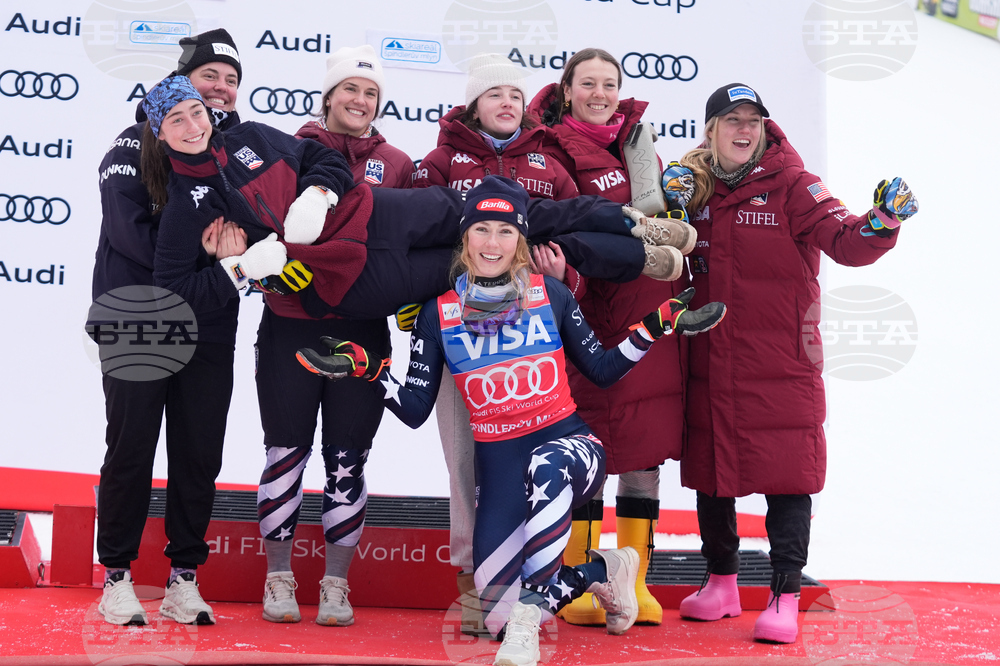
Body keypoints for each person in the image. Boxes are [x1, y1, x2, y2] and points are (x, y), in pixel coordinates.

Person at [295, 176, 727, 666]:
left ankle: (528, 624)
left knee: (544, 475)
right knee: (493, 612)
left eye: (505, 232)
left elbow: (603, 370)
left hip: (569, 449)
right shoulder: (437, 315)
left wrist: (657, 325)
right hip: (499, 468)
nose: (493, 243)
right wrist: (366, 367)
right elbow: (415, 410)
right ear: (465, 239)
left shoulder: (552, 296)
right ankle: (604, 570)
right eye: (482, 230)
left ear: (521, 240)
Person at [672, 83, 918, 644]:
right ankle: (722, 583)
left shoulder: (795, 185)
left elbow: (848, 241)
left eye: (752, 121)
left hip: (779, 363)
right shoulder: (696, 188)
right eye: (731, 120)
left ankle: (784, 594)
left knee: (786, 478)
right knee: (712, 476)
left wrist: (882, 221)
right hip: (709, 359)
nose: (743, 130)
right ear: (710, 129)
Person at [142, 76, 680, 325]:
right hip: (338, 281)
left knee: (503, 217)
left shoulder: (251, 137)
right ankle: (637, 260)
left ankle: (631, 225)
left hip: (372, 213)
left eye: (195, 112)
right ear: (159, 135)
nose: (192, 126)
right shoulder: (188, 205)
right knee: (491, 262)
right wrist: (241, 270)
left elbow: (319, 159)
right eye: (175, 120)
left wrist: (320, 192)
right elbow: (175, 293)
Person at [412, 53, 582, 635]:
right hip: (463, 340)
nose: (507, 102)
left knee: (531, 469)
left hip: (531, 342)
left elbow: (570, 236)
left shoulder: (548, 161)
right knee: (465, 465)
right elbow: (416, 239)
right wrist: (426, 310)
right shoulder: (440, 161)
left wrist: (564, 289)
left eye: (515, 92)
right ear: (472, 105)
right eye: (493, 94)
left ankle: (536, 583)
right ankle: (474, 585)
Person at [527, 47, 695, 626]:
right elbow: (555, 230)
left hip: (645, 309)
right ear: (567, 89)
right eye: (589, 83)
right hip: (585, 307)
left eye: (610, 84)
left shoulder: (639, 144)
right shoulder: (547, 148)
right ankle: (579, 581)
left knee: (644, 448)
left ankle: (637, 581)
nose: (601, 94)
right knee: (588, 447)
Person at [252, 45, 416, 626]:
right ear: (327, 97)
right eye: (350, 89)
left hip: (363, 331)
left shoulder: (396, 162)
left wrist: (410, 301)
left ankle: (334, 587)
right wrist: (270, 270)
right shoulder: (288, 151)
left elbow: (406, 241)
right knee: (285, 454)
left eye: (370, 93)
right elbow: (258, 224)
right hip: (290, 326)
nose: (360, 100)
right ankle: (277, 579)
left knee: (348, 460)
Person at [91, 28, 245, 626]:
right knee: (130, 448)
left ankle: (184, 577)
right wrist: (214, 256)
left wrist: (229, 256)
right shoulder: (130, 148)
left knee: (199, 451)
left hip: (209, 320)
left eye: (231, 82)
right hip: (138, 318)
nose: (220, 92)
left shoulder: (229, 154)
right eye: (211, 77)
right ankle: (118, 577)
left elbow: (250, 230)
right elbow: (143, 248)